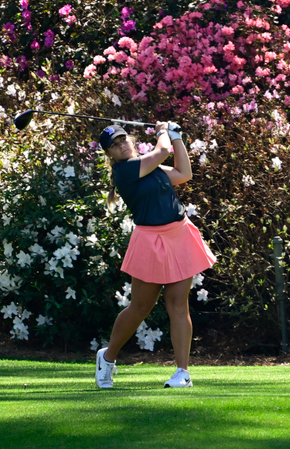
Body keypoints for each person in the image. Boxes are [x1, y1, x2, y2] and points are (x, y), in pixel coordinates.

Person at [94, 120, 215, 389]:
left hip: (179, 235)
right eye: (114, 145)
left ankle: (183, 372)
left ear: (131, 141)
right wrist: (163, 133)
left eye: (123, 140)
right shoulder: (124, 172)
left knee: (178, 305)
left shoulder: (152, 169)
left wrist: (177, 137)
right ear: (110, 155)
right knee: (140, 308)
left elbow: (184, 173)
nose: (121, 146)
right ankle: (108, 357)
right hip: (150, 241)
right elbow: (161, 152)